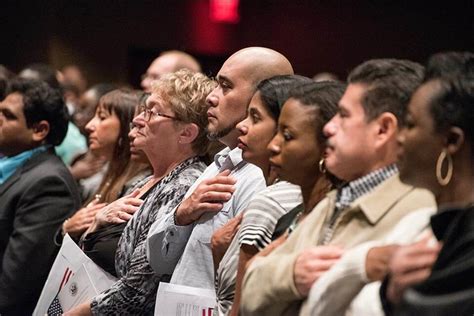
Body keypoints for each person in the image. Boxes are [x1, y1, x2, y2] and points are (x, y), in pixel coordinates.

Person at [240, 59, 436, 315]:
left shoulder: (419, 211)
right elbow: (250, 291)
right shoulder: (341, 197)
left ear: (383, 129)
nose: (329, 128)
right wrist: (292, 274)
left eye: (343, 116)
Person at [304, 51, 474, 316]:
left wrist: (383, 294)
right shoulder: (417, 223)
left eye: (410, 124)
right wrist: (367, 272)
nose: (400, 136)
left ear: (451, 141)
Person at [65, 69, 215, 315]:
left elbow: (139, 290)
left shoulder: (183, 185)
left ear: (186, 133)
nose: (137, 120)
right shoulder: (148, 178)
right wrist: (96, 224)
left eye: (153, 112)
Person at [146, 47, 293, 291]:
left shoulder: (260, 176)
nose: (211, 97)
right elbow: (158, 262)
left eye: (225, 87)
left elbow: (241, 290)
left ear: (262, 96)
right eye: (216, 84)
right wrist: (180, 215)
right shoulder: (220, 162)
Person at [214, 78, 345, 316]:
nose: (275, 145)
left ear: (327, 146)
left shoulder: (271, 202)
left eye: (287, 135)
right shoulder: (303, 210)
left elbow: (241, 305)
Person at [0, 79, 81, 315]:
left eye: (7, 115)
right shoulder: (12, 164)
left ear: (39, 130)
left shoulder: (49, 183)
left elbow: (15, 283)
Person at [61, 89, 150, 241]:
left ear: (126, 128)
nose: (89, 125)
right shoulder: (110, 172)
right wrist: (66, 229)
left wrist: (67, 230)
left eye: (102, 117)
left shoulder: (138, 185)